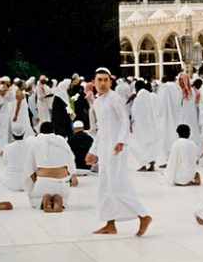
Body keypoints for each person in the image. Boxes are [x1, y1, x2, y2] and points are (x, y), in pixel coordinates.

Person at [85, 68, 152, 236]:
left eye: (105, 80)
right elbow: (101, 129)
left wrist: (121, 141)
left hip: (116, 150)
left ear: (110, 81)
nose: (102, 83)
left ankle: (143, 216)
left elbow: (124, 120)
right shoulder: (99, 102)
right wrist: (93, 151)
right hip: (105, 150)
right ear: (93, 82)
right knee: (105, 187)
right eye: (99, 80)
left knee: (117, 186)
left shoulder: (115, 98)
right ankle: (110, 224)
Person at [24, 121, 77, 212]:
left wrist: (36, 183)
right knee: (64, 198)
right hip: (62, 185)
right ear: (53, 131)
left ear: (40, 131)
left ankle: (44, 200)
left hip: (43, 183)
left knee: (34, 200)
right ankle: (58, 199)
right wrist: (73, 177)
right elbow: (71, 163)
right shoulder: (62, 142)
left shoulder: (35, 142)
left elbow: (29, 169)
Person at [130, 80, 158, 172]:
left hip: (141, 126)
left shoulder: (138, 98)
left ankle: (142, 165)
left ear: (136, 88)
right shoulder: (151, 96)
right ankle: (152, 165)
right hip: (152, 124)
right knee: (150, 145)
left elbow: (135, 112)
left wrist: (131, 123)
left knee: (138, 145)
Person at [3, 123, 31, 192]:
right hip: (26, 182)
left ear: (13, 135)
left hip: (11, 182)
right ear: (24, 134)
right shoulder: (29, 146)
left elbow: (4, 162)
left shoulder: (7, 147)